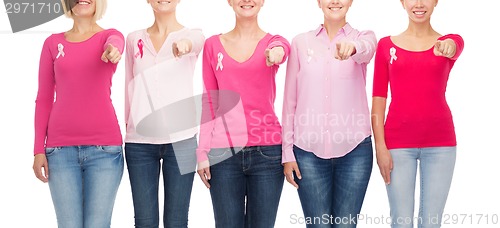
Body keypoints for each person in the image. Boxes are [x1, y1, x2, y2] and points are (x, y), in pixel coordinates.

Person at [195, 0, 290, 227]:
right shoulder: (212, 45)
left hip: (267, 153)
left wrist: (277, 53)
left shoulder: (273, 43)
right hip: (223, 155)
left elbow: (282, 48)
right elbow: (210, 100)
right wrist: (201, 152)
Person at [282, 0, 376, 227]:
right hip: (307, 153)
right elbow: (289, 101)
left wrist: (352, 47)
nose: (335, 1)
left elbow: (367, 49)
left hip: (354, 152)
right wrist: (287, 153)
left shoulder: (364, 37)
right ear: (319, 2)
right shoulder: (300, 43)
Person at [371, 0, 464, 227]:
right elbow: (378, 101)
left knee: (431, 222)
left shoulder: (446, 43)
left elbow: (456, 44)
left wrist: (449, 45)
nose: (419, 4)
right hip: (397, 145)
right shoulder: (385, 46)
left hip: (441, 145)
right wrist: (380, 147)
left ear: (436, 2)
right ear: (402, 2)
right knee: (401, 222)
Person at [32, 0, 125, 227]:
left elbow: (116, 44)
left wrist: (112, 51)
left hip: (104, 151)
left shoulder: (109, 37)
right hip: (59, 152)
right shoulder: (52, 43)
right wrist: (38, 150)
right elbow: (44, 98)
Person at [123, 0, 205, 227]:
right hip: (139, 143)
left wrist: (184, 45)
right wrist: (128, 124)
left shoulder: (193, 34)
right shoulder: (133, 38)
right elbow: (129, 85)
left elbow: (195, 43)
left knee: (177, 221)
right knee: (144, 221)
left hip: (182, 142)